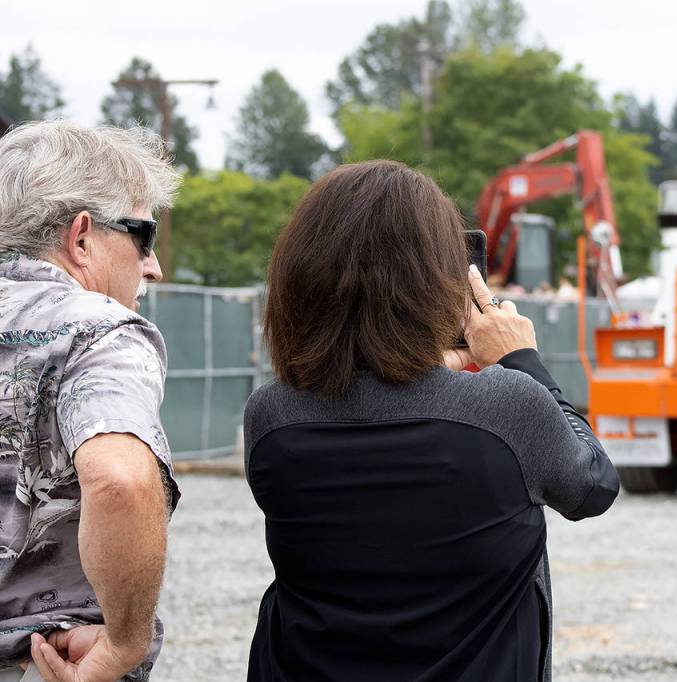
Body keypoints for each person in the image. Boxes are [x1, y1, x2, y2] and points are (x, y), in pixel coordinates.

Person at [246, 159, 619, 681]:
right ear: (438, 283)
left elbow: (378, 402)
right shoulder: (508, 406)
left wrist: (425, 365)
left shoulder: (272, 418)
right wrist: (521, 360)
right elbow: (593, 485)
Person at [0, 121, 181, 682]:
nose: (153, 266)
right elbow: (121, 481)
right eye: (143, 235)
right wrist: (125, 643)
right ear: (81, 238)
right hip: (50, 661)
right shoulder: (97, 331)